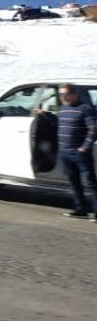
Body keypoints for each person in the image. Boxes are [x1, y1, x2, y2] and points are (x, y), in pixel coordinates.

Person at [54, 84, 97, 219]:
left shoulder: (85, 109)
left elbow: (93, 129)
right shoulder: (63, 109)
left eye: (65, 94)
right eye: (60, 94)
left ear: (74, 94)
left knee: (90, 182)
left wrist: (85, 146)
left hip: (80, 153)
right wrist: (44, 115)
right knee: (74, 181)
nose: (63, 97)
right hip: (65, 152)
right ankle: (80, 208)